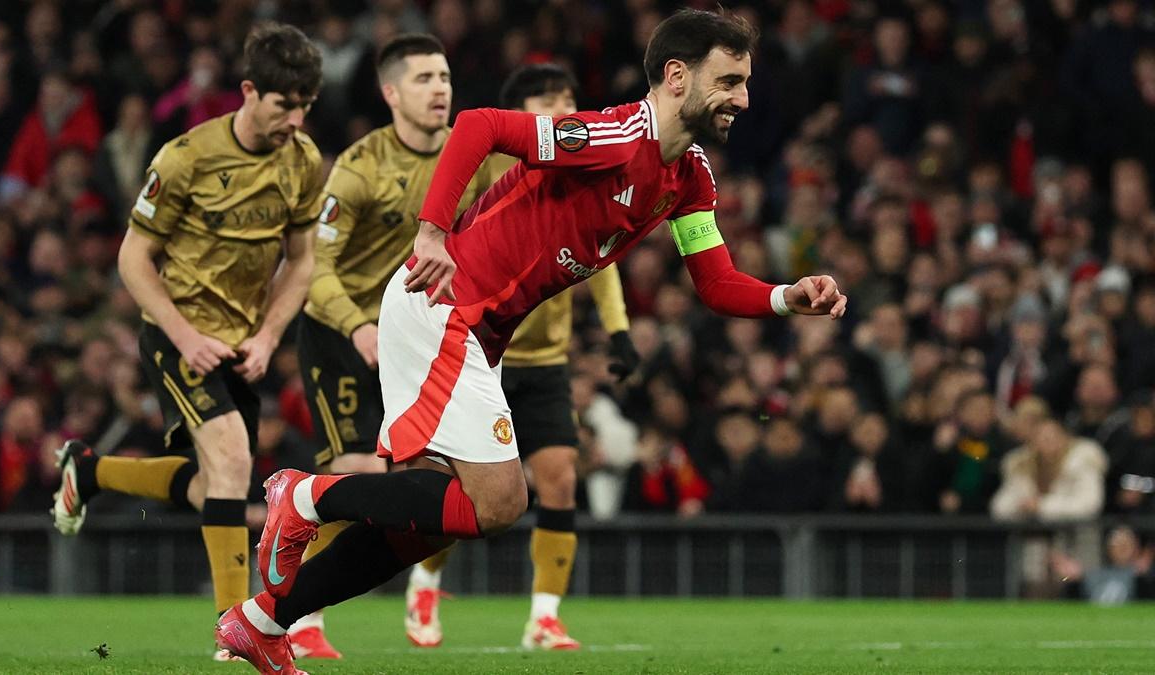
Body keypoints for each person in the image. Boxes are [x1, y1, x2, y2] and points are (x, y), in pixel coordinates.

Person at [216, 10, 846, 674]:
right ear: (677, 76)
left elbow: (715, 282)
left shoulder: (688, 176)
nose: (743, 99)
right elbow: (480, 125)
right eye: (730, 81)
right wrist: (431, 231)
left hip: (476, 330)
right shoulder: (610, 136)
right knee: (501, 501)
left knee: (423, 524)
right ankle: (306, 496)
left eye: (745, 83)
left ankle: (261, 622)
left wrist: (786, 296)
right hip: (443, 307)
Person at [49, 22, 323, 660]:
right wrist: (183, 334)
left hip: (242, 344)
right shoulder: (185, 158)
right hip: (177, 334)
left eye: (306, 105)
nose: (296, 120)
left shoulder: (303, 161)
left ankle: (88, 472)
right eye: (286, 105)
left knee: (211, 488)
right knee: (231, 460)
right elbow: (133, 259)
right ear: (249, 91)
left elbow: (303, 261)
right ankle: (237, 629)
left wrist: (268, 335)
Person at [402, 62, 639, 651]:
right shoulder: (494, 164)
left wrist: (619, 330)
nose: (563, 105)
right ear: (520, 106)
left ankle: (545, 616)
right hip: (479, 345)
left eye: (568, 95)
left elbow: (602, 253)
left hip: (546, 357)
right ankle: (425, 582)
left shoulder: (586, 161)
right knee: (459, 485)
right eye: (547, 96)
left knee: (559, 477)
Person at [288, 33, 495, 659]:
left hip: (423, 338)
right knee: (355, 470)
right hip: (344, 334)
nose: (440, 88)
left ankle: (421, 587)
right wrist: (356, 324)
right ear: (391, 93)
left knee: (447, 476)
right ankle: (301, 617)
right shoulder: (358, 167)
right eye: (425, 78)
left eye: (445, 76)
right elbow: (312, 270)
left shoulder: (473, 157)